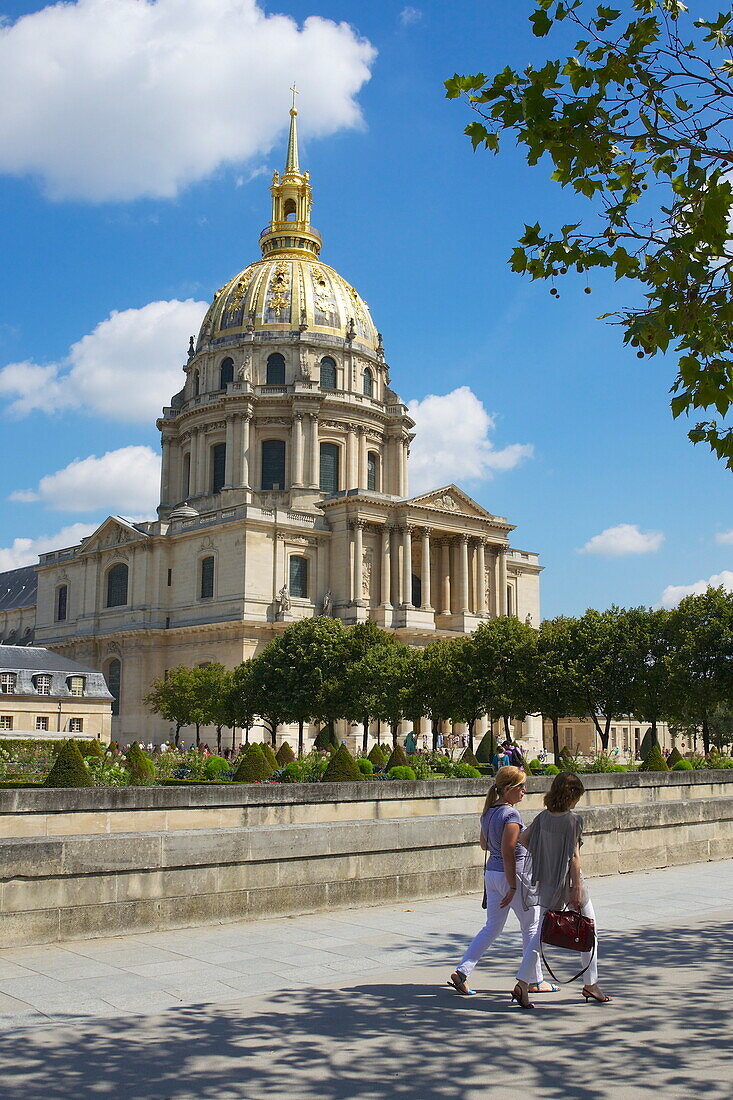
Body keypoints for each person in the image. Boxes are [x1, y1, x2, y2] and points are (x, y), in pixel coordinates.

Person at [448, 767, 556, 997]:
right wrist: (514, 885)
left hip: (493, 874)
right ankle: (534, 979)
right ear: (508, 789)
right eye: (521, 787)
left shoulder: (488, 812)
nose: (524, 791)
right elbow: (509, 851)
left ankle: (463, 970)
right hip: (512, 875)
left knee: (492, 927)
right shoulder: (511, 815)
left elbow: (485, 845)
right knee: (532, 926)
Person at [512, 772, 612, 1008]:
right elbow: (575, 858)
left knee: (541, 935)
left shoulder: (543, 818)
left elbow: (523, 839)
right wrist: (576, 888)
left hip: (547, 882)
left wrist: (546, 855)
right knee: (589, 931)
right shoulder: (573, 820)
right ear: (572, 796)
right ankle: (591, 983)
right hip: (568, 883)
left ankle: (522, 982)